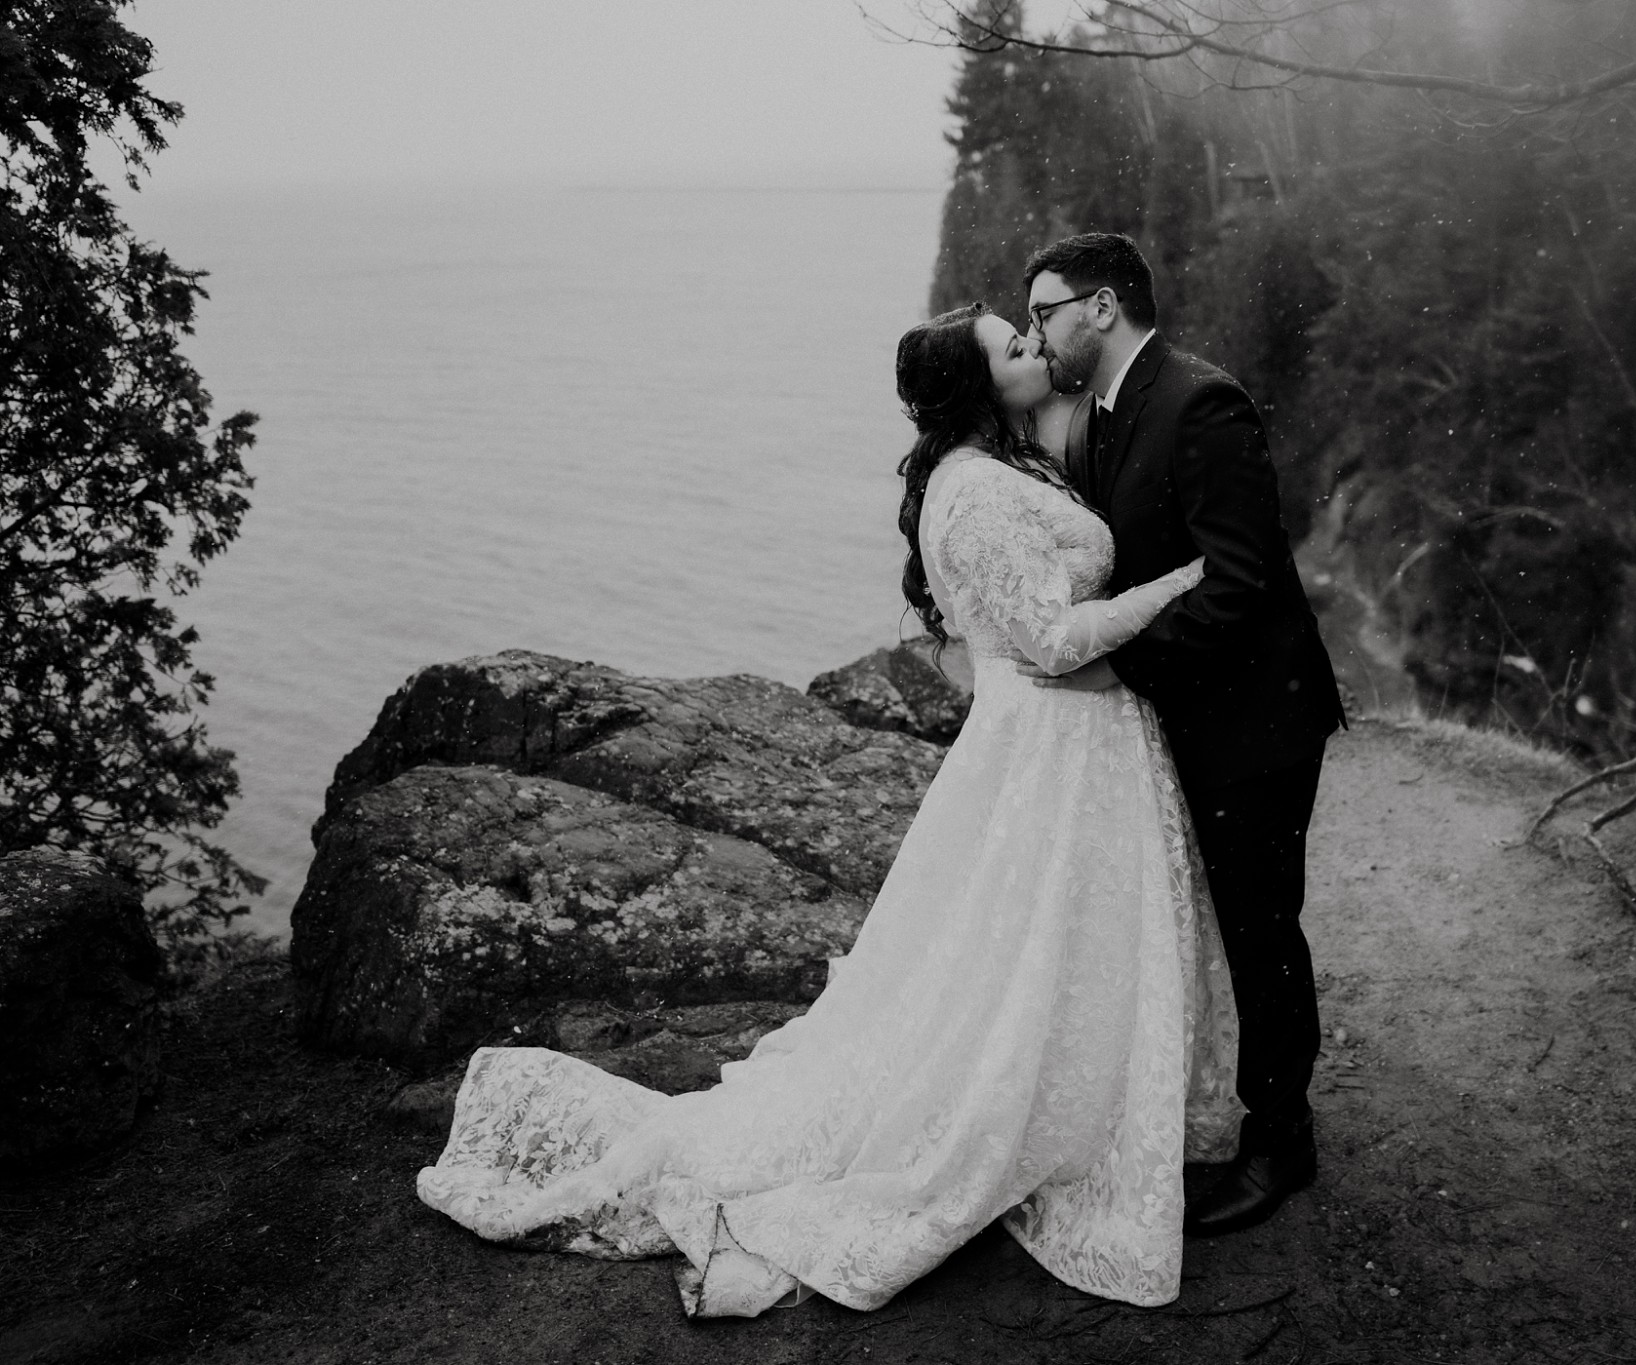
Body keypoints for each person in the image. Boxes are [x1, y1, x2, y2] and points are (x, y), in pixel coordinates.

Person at [416, 303, 1243, 1318]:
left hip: (1063, 746)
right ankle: (1037, 1127)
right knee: (1029, 961)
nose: (1031, 345)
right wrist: (1179, 583)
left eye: (1029, 332)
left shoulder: (993, 467)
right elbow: (1053, 642)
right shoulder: (976, 492)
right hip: (1052, 742)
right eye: (1010, 344)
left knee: (1042, 955)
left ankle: (1084, 1112)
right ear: (980, 387)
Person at [1023, 233, 1345, 1237]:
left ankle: (1279, 1141)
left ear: (1103, 307)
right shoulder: (1115, 407)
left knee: (1258, 928)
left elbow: (1240, 583)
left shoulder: (1198, 402)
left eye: (1043, 312)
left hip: (1254, 718)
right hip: (1198, 712)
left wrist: (1117, 664)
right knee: (1223, 925)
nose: (1035, 331)